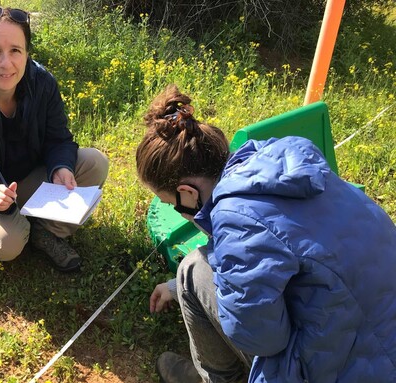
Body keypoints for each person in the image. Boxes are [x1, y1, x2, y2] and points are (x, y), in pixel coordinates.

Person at [137, 85, 396, 383]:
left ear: (187, 192)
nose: (177, 212)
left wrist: (214, 235)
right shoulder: (283, 162)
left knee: (191, 269)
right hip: (378, 344)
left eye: (172, 205)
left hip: (339, 371)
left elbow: (261, 340)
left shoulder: (236, 220)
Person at [0, 6, 109, 272]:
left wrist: (61, 167)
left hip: (20, 179)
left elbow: (59, 138)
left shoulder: (43, 84)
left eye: (15, 50)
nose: (6, 63)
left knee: (94, 163)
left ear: (27, 53)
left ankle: (43, 231)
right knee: (7, 242)